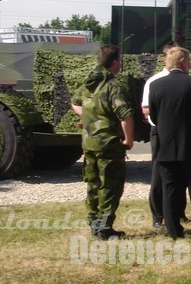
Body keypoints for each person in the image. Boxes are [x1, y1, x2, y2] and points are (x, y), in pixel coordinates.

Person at [148, 47, 191, 238]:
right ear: (183, 61)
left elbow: (154, 116)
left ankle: (174, 231)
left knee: (170, 190)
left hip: (166, 146)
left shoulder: (156, 85)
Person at [71, 44, 134, 240]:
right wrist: (129, 140)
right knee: (110, 187)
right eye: (120, 61)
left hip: (89, 144)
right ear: (114, 62)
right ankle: (104, 228)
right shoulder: (112, 86)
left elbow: (74, 102)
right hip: (108, 145)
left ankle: (94, 223)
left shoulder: (89, 82)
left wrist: (90, 118)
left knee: (92, 184)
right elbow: (126, 116)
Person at [141, 41, 188, 230]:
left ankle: (178, 211)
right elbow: (146, 108)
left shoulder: (185, 79)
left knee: (181, 175)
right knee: (159, 175)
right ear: (166, 57)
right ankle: (158, 215)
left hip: (180, 132)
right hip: (160, 132)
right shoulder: (154, 81)